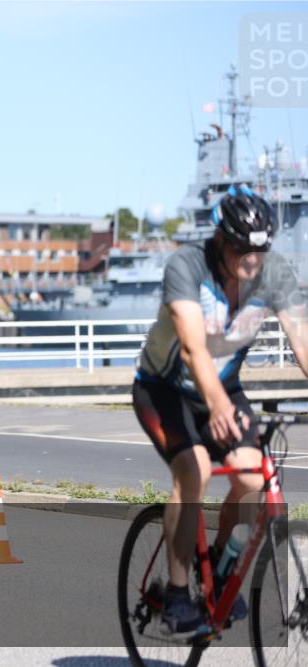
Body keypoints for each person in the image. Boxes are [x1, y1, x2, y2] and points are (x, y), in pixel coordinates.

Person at [133, 187, 308, 636]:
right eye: (242, 250)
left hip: (225, 388)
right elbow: (192, 348)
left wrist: (221, 401)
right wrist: (215, 405)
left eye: (261, 251)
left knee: (254, 480)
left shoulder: (274, 274)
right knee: (194, 473)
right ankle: (175, 596)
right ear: (220, 241)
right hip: (165, 389)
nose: (252, 261)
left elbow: (303, 340)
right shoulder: (188, 267)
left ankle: (221, 572)